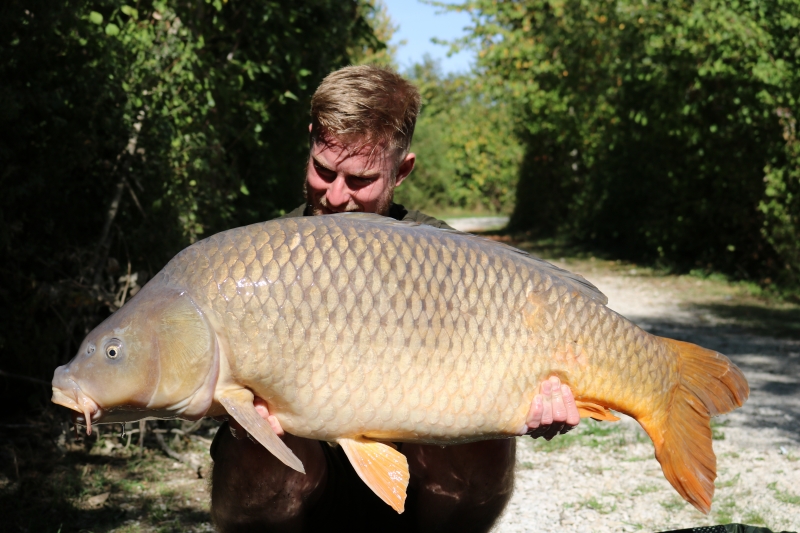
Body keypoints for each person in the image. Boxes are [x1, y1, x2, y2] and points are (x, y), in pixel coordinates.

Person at [209, 65, 581, 533]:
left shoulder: (447, 256)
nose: (336, 195)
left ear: (401, 170)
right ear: (310, 141)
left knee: (488, 431)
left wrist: (529, 404)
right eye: (324, 170)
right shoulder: (264, 261)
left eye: (361, 180)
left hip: (419, 497)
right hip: (302, 492)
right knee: (256, 443)